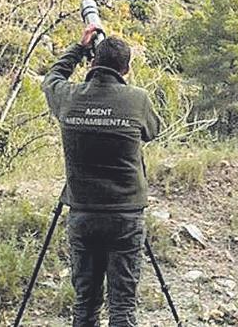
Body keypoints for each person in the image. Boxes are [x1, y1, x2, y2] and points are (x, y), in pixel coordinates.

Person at [42, 25, 161, 327]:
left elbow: (51, 79)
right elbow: (153, 130)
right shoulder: (137, 99)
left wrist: (78, 49)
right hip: (125, 215)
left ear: (92, 62)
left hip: (83, 213)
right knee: (122, 306)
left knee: (86, 304)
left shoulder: (69, 97)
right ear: (127, 69)